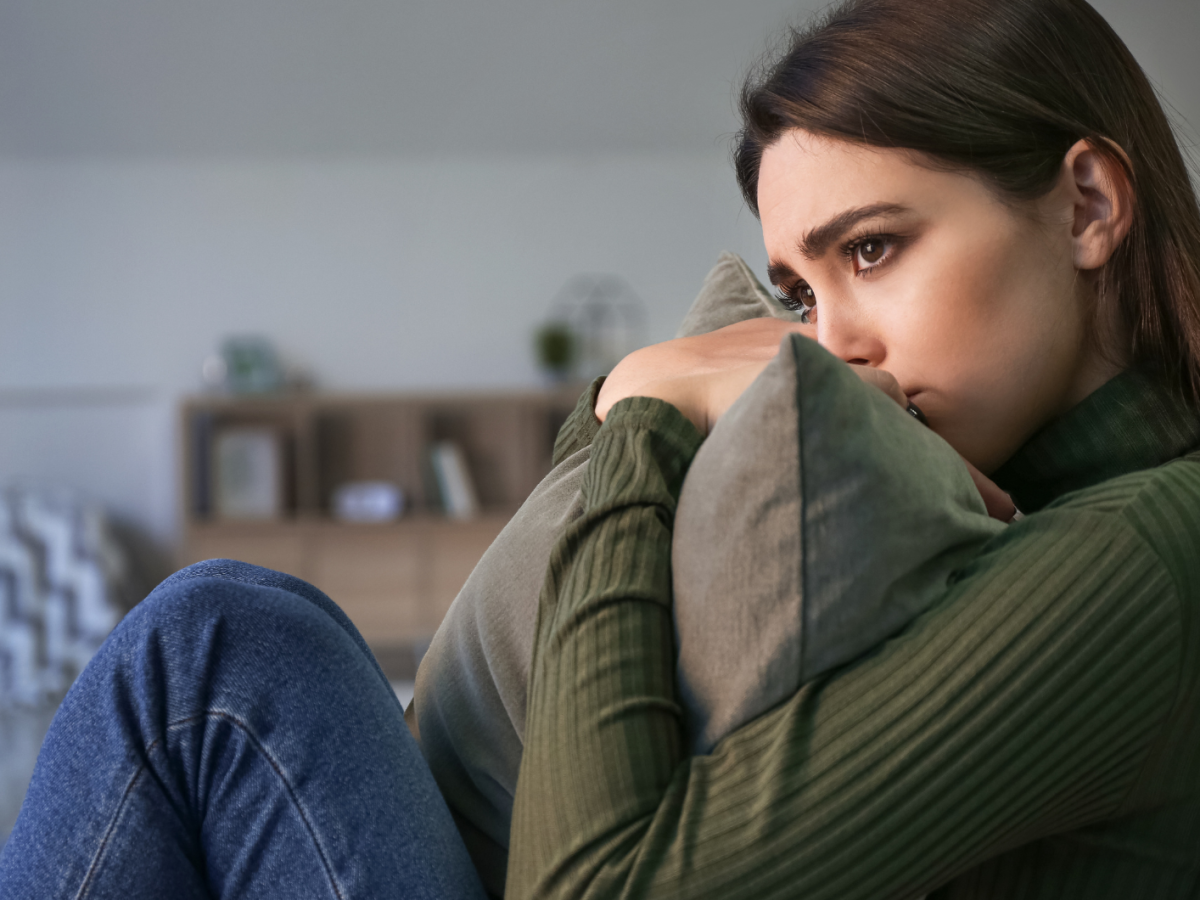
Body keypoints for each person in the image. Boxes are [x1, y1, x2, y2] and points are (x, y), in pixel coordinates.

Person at [2, 0, 1198, 896]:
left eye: (874, 250)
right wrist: (633, 400)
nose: (833, 348)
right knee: (256, 637)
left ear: (1089, 206)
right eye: (798, 290)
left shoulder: (1153, 551)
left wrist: (644, 416)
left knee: (210, 658)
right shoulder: (966, 506)